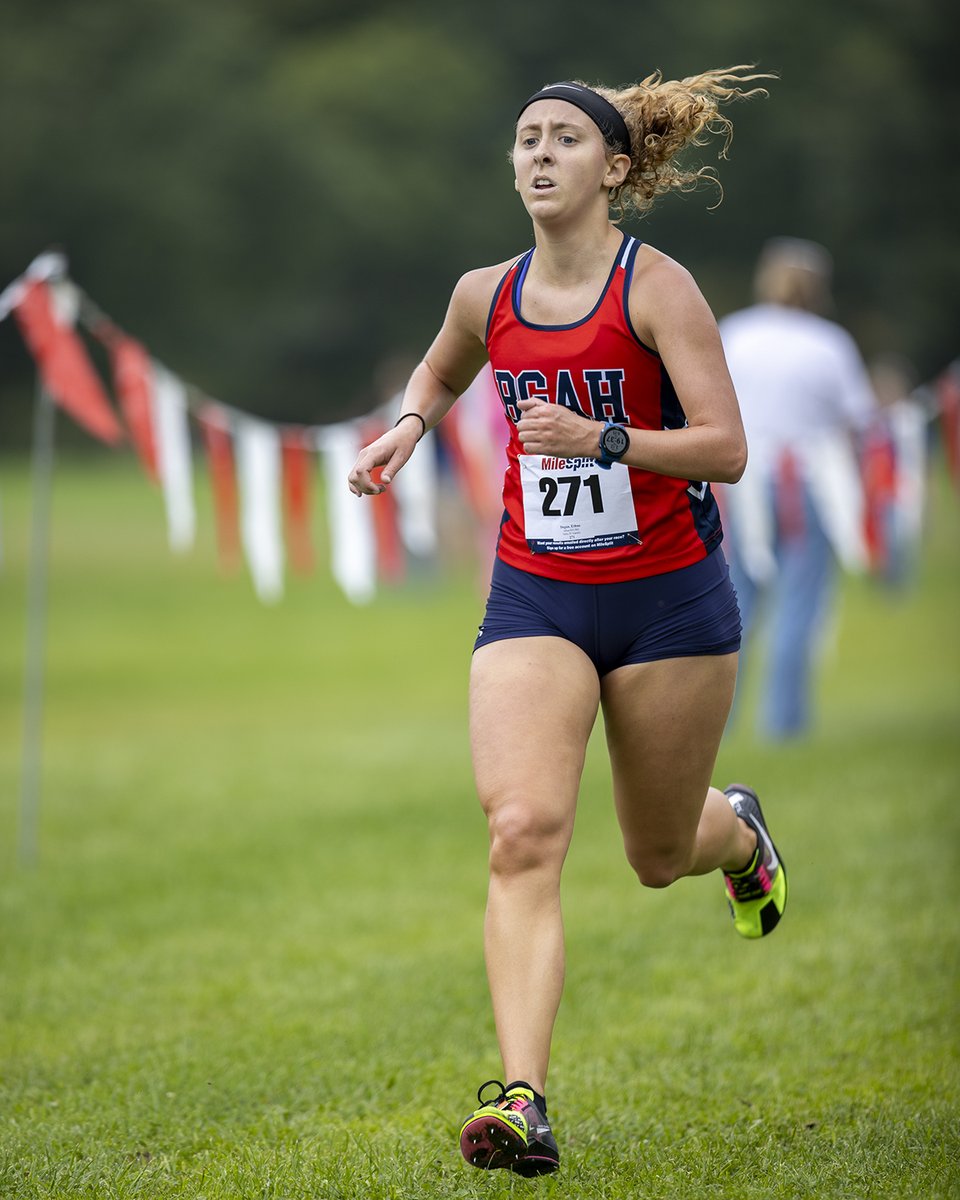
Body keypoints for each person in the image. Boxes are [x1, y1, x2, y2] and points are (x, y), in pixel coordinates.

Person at [348, 67, 786, 1176]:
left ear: (615, 168)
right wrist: (408, 425)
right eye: (525, 138)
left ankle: (737, 833)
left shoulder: (658, 289)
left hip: (670, 603)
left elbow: (727, 449)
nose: (539, 154)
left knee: (653, 851)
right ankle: (522, 1100)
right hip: (535, 596)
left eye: (564, 140)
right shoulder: (481, 293)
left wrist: (603, 441)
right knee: (522, 833)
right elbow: (444, 368)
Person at [719, 238, 877, 739]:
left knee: (738, 604)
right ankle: (783, 725)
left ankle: (718, 722)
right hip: (811, 481)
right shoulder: (829, 343)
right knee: (799, 601)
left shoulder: (736, 333)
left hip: (746, 481)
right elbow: (860, 420)